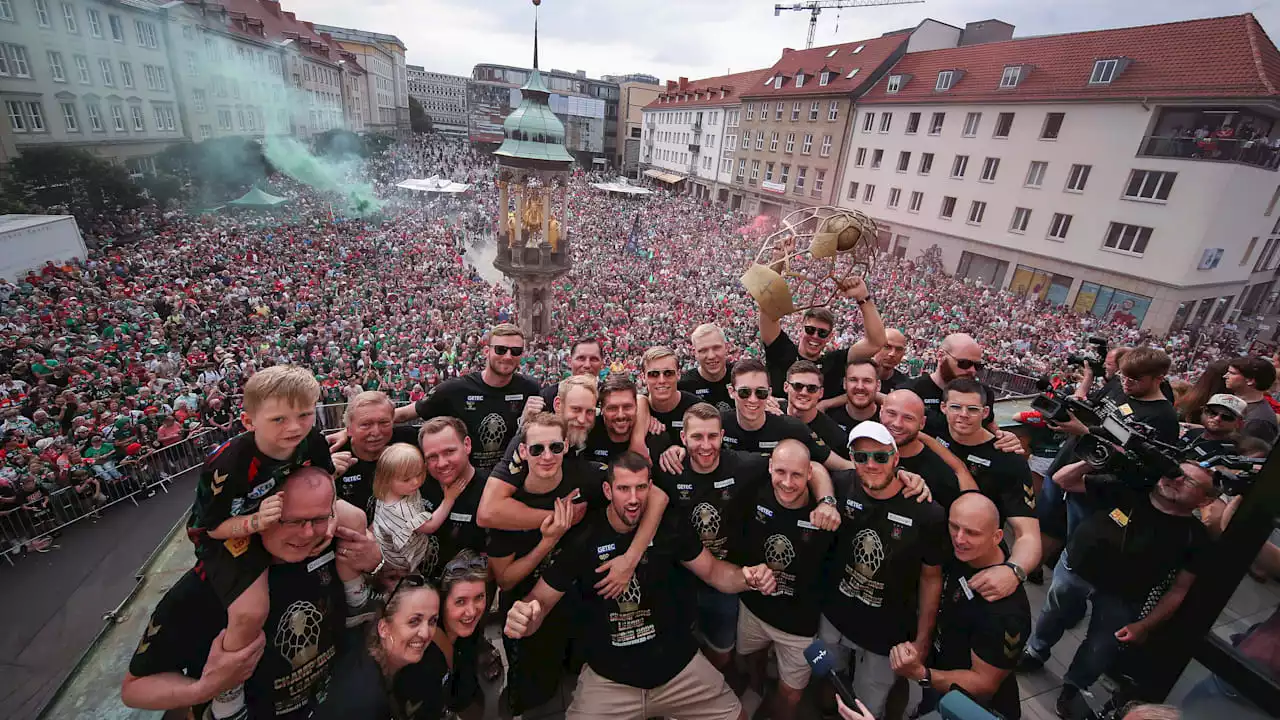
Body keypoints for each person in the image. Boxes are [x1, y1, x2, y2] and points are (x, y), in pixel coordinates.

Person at [504, 452, 778, 720]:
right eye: (623, 489)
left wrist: (749, 577)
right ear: (607, 491)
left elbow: (715, 572)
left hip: (678, 670)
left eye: (640, 488)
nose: (633, 499)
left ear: (650, 488)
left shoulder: (670, 527)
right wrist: (526, 617)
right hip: (609, 679)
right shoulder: (585, 538)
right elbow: (541, 599)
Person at [123, 466, 384, 718]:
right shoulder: (204, 588)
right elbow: (136, 688)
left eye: (318, 518)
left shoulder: (334, 545)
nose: (307, 533)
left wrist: (376, 563)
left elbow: (380, 595)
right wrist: (204, 689)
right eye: (290, 521)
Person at [183, 366, 366, 720]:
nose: (294, 427)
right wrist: (255, 522)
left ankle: (357, 597)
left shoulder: (310, 438)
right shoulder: (227, 463)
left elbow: (325, 475)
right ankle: (228, 693)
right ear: (249, 421)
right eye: (279, 419)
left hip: (283, 517)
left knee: (355, 519)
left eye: (304, 415)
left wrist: (328, 516)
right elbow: (211, 526)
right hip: (235, 531)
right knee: (250, 611)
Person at [1018, 460, 1215, 718]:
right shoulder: (1127, 489)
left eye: (1187, 480)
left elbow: (1180, 589)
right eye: (1175, 473)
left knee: (1101, 646)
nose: (1175, 480)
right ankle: (1035, 651)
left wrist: (1145, 625)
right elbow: (1063, 480)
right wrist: (1094, 459)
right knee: (1054, 612)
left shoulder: (1195, 537)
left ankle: (1074, 687)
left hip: (1125, 596)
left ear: (1203, 500)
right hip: (1075, 569)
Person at [654, 403, 841, 671]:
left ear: (722, 435)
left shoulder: (744, 465)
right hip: (678, 579)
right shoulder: (669, 469)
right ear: (683, 438)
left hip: (727, 580)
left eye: (712, 436)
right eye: (696, 437)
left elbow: (809, 466)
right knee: (674, 647)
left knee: (723, 651)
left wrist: (827, 501)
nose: (705, 445)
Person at [820, 422, 948, 719]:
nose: (870, 464)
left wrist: (922, 639)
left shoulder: (926, 511)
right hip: (834, 615)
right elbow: (811, 466)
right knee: (830, 679)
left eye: (880, 456)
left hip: (885, 632)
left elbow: (931, 578)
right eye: (861, 457)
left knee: (870, 703)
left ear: (895, 457)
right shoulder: (840, 484)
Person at [484, 413, 609, 717]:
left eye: (555, 447)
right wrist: (548, 539)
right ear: (523, 452)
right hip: (526, 605)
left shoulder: (585, 477)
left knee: (576, 671)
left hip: (575, 599)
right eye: (537, 449)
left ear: (567, 446)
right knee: (532, 691)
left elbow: (637, 482)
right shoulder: (508, 507)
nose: (547, 456)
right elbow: (505, 580)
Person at [891, 493, 1031, 720]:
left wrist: (922, 674)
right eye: (954, 526)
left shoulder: (1006, 612)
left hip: (969, 705)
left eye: (972, 533)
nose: (959, 538)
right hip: (941, 667)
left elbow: (984, 684)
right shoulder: (966, 551)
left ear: (997, 537)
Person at [732, 439, 838, 720]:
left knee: (791, 693)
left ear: (809, 475)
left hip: (799, 625)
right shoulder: (753, 492)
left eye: (797, 475)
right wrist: (751, 572)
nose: (787, 482)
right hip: (754, 608)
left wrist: (827, 500)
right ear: (769, 467)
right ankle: (756, 689)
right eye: (780, 472)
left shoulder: (824, 515)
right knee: (750, 658)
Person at [937, 378, 1042, 602]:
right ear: (943, 407)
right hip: (929, 549)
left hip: (973, 557)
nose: (963, 414)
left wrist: (1014, 570)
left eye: (972, 409)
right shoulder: (932, 427)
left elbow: (1028, 532)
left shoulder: (1008, 460)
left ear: (985, 412)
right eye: (955, 407)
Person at [392, 323, 541, 472]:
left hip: (510, 479)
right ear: (486, 351)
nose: (508, 356)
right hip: (466, 480)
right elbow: (403, 414)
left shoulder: (530, 388)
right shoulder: (455, 389)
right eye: (501, 350)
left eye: (515, 351)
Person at [311, 580, 442, 720]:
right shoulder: (364, 698)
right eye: (414, 621)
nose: (426, 633)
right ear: (384, 628)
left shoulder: (373, 654)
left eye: (432, 621)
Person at [757, 276, 886, 400]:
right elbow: (766, 310)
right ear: (801, 329)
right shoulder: (783, 350)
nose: (815, 336)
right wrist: (778, 263)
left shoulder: (833, 363)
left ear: (830, 337)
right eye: (810, 330)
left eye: (822, 333)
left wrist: (863, 297)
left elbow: (875, 343)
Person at [397, 551, 491, 719]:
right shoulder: (423, 655)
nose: (472, 611)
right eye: (460, 601)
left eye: (479, 597)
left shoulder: (469, 628)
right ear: (442, 601)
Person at [370, 443, 457, 580]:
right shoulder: (401, 509)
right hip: (401, 561)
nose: (416, 482)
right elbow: (430, 527)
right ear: (386, 479)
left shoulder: (393, 490)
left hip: (388, 544)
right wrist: (449, 500)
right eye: (406, 479)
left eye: (419, 474)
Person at [418, 416, 490, 580]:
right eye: (432, 457)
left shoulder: (492, 489)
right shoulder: (416, 486)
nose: (442, 463)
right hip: (421, 591)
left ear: (467, 445)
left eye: (449, 452)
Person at [330, 391, 420, 522]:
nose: (376, 432)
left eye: (384, 423)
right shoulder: (331, 457)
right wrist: (326, 479)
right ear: (348, 429)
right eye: (365, 424)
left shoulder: (409, 440)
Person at [910, 333, 995, 436]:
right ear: (941, 356)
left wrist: (1004, 437)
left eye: (978, 366)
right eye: (964, 363)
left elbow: (989, 427)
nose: (972, 370)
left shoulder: (984, 393)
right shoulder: (912, 391)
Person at [585, 373, 670, 463]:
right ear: (601, 409)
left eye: (627, 407)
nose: (621, 415)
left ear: (637, 406)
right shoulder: (588, 433)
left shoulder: (656, 438)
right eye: (612, 408)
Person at [782, 360, 849, 458]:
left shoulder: (835, 435)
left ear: (821, 393)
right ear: (786, 387)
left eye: (812, 388)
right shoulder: (770, 412)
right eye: (798, 386)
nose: (804, 392)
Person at [640, 346, 701, 448]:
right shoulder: (636, 410)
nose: (662, 380)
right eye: (654, 374)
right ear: (643, 378)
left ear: (678, 374)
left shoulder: (697, 409)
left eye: (668, 373)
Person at [681, 323, 735, 412]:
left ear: (726, 347)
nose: (711, 356)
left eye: (716, 348)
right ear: (695, 353)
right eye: (703, 350)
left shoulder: (741, 377)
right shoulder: (685, 386)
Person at [1224, 356, 1279, 443]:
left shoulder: (1259, 421)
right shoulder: (1231, 400)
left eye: (1232, 373)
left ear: (1250, 380)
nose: (1225, 376)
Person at [538, 338, 606, 406]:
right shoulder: (548, 396)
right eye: (581, 358)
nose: (587, 365)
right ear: (570, 361)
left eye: (594, 359)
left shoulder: (610, 395)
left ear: (602, 363)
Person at [826, 358, 881, 433]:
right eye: (853, 380)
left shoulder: (888, 422)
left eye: (867, 381)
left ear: (878, 386)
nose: (860, 387)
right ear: (845, 383)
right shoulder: (829, 420)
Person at [1183, 393, 1246, 458]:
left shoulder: (1231, 450)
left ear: (1239, 424)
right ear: (1203, 412)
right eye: (1212, 412)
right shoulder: (1194, 432)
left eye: (1227, 417)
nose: (1217, 418)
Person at [873, 328, 911, 394]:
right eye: (887, 347)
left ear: (903, 354)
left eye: (899, 349)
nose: (892, 353)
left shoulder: (905, 386)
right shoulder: (857, 374)